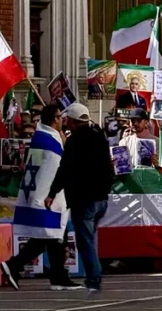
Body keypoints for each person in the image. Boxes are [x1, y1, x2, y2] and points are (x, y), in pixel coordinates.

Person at [0, 104, 81, 291]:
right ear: (55, 119)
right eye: (59, 117)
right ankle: (14, 264)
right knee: (48, 236)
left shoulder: (41, 136)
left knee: (54, 236)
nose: (62, 120)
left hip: (38, 192)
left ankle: (58, 277)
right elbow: (61, 168)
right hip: (47, 196)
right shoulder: (50, 142)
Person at [46, 104, 113, 293]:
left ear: (73, 121)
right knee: (90, 238)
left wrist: (52, 193)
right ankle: (94, 275)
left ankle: (94, 278)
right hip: (101, 198)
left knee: (86, 241)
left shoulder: (75, 141)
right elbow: (108, 166)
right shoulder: (99, 136)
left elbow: (65, 169)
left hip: (84, 198)